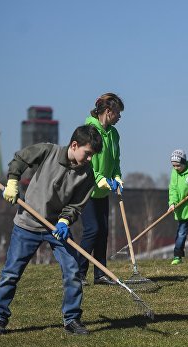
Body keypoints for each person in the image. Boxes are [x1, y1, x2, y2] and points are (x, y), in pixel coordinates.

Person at [0, 125, 103, 336]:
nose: (89, 159)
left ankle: (72, 319)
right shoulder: (48, 151)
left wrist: (64, 221)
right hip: (27, 224)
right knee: (11, 273)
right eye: (87, 154)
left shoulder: (87, 175)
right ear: (74, 145)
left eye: (92, 156)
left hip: (57, 229)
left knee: (72, 272)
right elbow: (20, 158)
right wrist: (13, 181)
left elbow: (76, 205)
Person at [78, 93, 125, 286]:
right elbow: (87, 164)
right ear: (108, 111)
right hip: (87, 189)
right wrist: (102, 180)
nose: (120, 117)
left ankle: (100, 274)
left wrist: (116, 177)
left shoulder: (114, 134)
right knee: (92, 230)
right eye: (118, 113)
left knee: (103, 231)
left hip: (103, 191)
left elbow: (115, 161)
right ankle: (78, 274)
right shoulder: (89, 131)